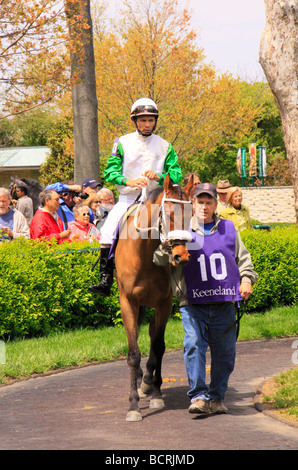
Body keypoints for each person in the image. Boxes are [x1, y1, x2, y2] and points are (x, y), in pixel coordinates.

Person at [153, 183, 258, 415]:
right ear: (193, 204)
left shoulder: (230, 229)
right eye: (200, 202)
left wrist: (247, 280)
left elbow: (244, 260)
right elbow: (158, 262)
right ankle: (199, 396)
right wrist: (164, 250)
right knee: (193, 346)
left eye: (208, 202)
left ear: (215, 204)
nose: (204, 206)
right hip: (192, 303)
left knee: (225, 353)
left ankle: (217, 397)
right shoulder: (180, 232)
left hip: (224, 302)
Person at [88, 97, 182, 296]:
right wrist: (127, 181)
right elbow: (109, 172)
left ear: (155, 121)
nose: (147, 125)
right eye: (142, 120)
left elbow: (177, 175)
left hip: (157, 200)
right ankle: (105, 280)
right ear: (134, 121)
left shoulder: (165, 145)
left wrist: (160, 176)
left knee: (182, 229)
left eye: (150, 120)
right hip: (128, 200)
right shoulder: (121, 142)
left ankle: (183, 276)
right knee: (106, 234)